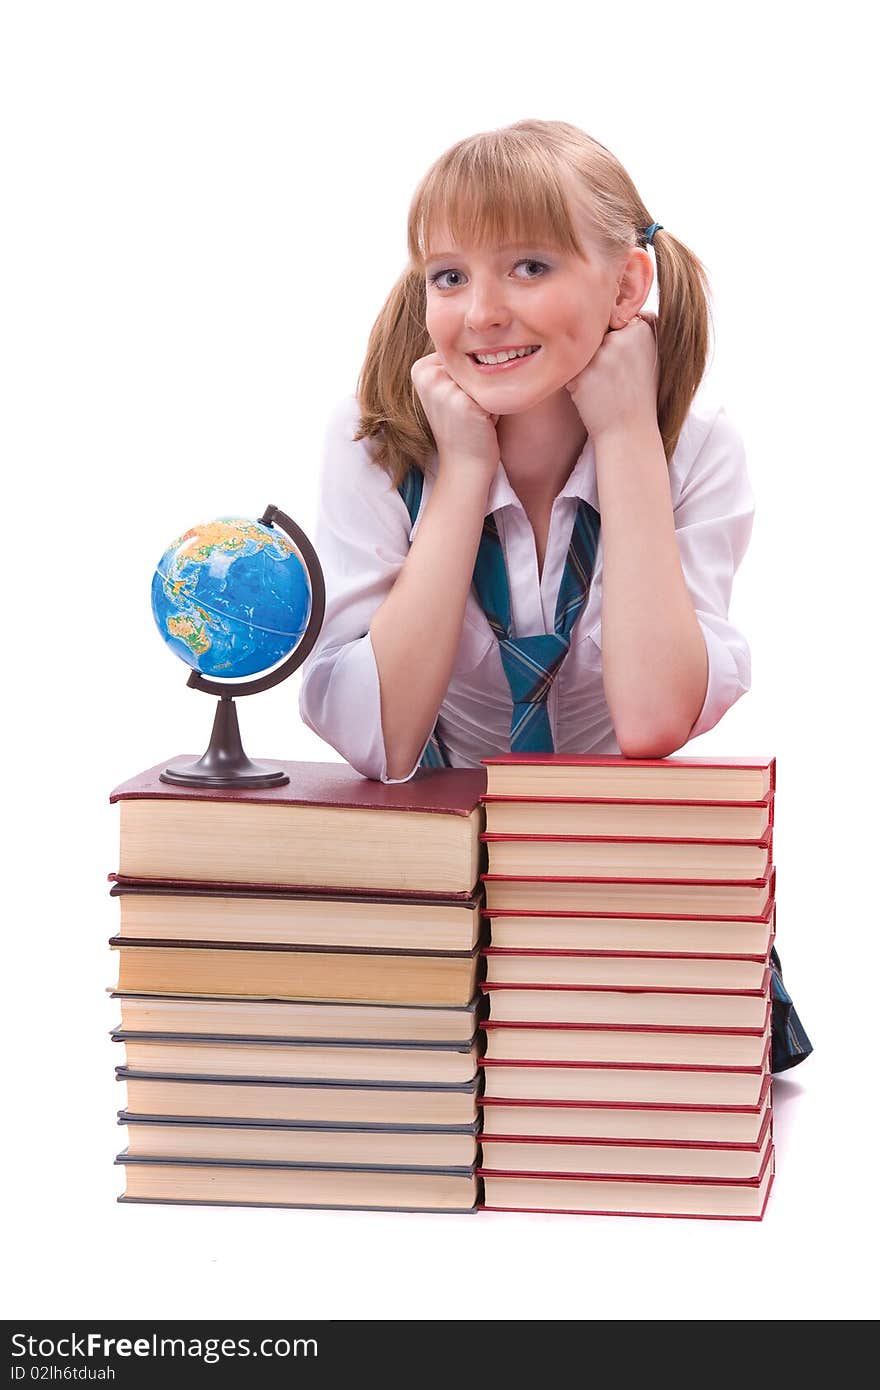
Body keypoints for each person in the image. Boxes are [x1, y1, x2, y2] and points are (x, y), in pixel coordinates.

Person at [299, 118, 811, 1073]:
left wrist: (623, 437)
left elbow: (655, 718)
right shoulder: (375, 441)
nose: (482, 312)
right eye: (450, 276)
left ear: (626, 284)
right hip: (432, 901)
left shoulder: (694, 447)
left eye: (528, 266)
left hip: (613, 905)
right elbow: (382, 742)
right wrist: (458, 479)